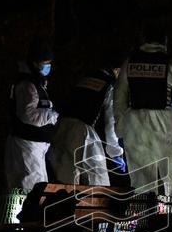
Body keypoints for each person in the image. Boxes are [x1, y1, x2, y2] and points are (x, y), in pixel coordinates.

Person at [114, 24, 172, 198]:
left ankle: (143, 214)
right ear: (164, 41)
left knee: (141, 182)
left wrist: (120, 126)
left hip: (135, 125)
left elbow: (119, 96)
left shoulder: (130, 62)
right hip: (165, 124)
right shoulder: (171, 62)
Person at [47, 53, 123, 186]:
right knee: (98, 180)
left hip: (62, 127)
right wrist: (115, 152)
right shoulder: (109, 86)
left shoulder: (85, 78)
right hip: (82, 132)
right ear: (116, 70)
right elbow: (110, 124)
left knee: (66, 181)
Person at [4, 37, 58, 191]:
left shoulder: (36, 82)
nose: (47, 67)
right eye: (44, 63)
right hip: (27, 144)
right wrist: (52, 116)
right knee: (32, 189)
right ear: (34, 63)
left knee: (37, 187)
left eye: (49, 63)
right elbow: (28, 115)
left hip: (33, 145)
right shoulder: (27, 84)